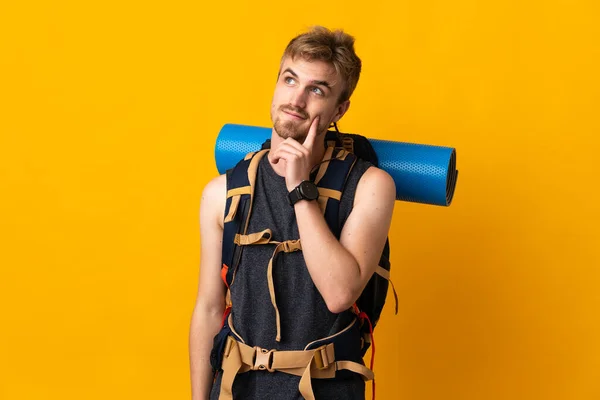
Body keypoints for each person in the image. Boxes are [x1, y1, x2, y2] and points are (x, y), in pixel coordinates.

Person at [189, 26, 396, 400]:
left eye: (316, 89)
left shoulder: (371, 186)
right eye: (290, 80)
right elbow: (208, 308)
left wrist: (300, 192)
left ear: (339, 110)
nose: (296, 100)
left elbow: (339, 293)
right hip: (237, 390)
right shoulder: (222, 193)